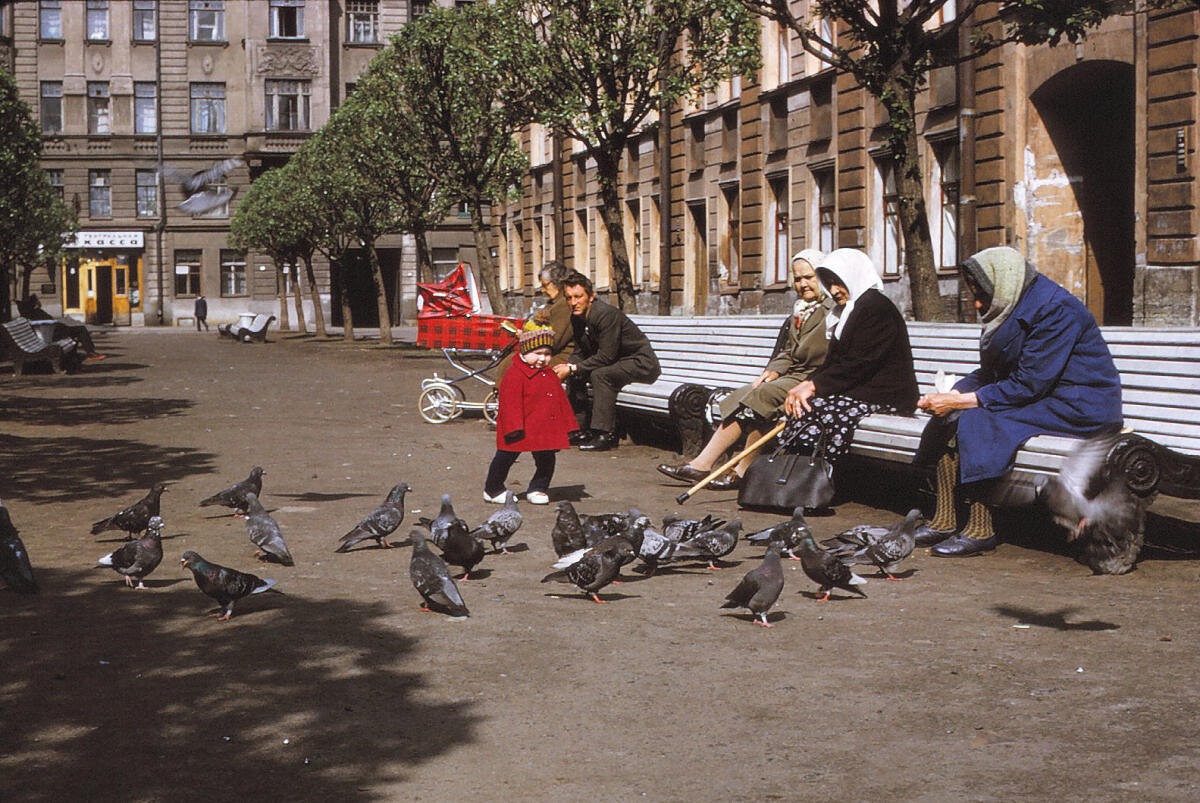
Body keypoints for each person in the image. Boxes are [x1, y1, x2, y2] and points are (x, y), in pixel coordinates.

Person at [913, 246, 1123, 557]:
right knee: (954, 416)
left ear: (1003, 282)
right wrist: (954, 393)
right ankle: (945, 520)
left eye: (981, 293)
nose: (977, 302)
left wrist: (963, 402)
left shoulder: (1056, 309)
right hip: (1047, 396)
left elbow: (1028, 383)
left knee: (978, 420)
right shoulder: (1016, 303)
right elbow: (994, 372)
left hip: (1080, 404)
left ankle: (980, 529)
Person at [656, 249, 833, 490]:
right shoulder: (801, 308)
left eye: (809, 277)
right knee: (745, 393)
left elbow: (819, 354)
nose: (803, 284)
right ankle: (702, 464)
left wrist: (788, 372)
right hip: (794, 375)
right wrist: (774, 370)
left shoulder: (831, 309)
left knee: (763, 397)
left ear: (821, 276)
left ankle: (741, 471)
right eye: (798, 279)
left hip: (814, 378)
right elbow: (789, 350)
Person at [777, 248, 919, 468]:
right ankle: (796, 475)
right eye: (829, 283)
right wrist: (805, 384)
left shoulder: (875, 308)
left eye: (839, 282)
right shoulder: (848, 310)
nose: (833, 290)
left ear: (854, 276)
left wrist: (813, 386)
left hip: (887, 395)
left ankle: (817, 477)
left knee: (820, 410)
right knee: (805, 406)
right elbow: (834, 362)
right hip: (862, 389)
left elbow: (859, 363)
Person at [552, 272, 661, 452]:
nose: (573, 302)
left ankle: (605, 434)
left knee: (600, 375)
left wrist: (572, 368)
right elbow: (580, 352)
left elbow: (607, 356)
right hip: (619, 362)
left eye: (578, 297)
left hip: (640, 363)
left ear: (591, 297)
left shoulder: (605, 315)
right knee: (577, 372)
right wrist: (568, 367)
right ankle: (578, 430)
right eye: (569, 298)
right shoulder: (577, 317)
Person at [485, 327, 579, 505]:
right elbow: (510, 404)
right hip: (519, 425)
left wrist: (568, 425)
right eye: (537, 353)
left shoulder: (549, 373)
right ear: (525, 352)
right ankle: (492, 488)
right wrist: (513, 427)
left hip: (543, 426)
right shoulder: (514, 374)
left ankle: (538, 488)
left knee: (546, 459)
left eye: (547, 353)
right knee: (506, 456)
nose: (543, 358)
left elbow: (560, 400)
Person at [496, 260, 575, 381]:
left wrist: (527, 337)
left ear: (557, 283)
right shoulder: (554, 303)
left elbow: (554, 341)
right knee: (512, 361)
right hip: (545, 352)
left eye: (545, 285)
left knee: (516, 365)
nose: (543, 290)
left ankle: (513, 397)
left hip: (561, 355)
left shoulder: (564, 305)